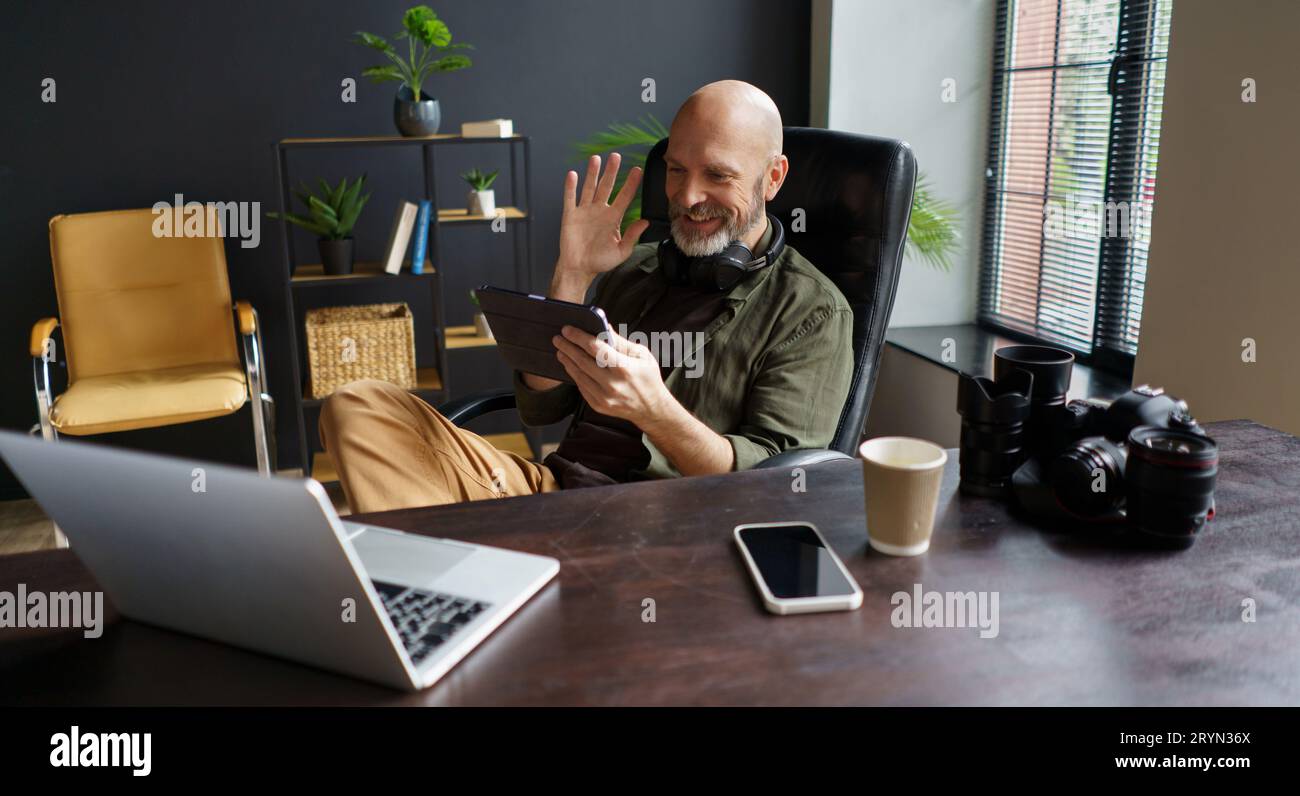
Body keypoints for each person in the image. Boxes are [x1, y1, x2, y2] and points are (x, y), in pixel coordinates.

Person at [320, 80, 853, 514]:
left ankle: (463, 570)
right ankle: (480, 565)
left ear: (773, 178)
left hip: (658, 520)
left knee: (413, 515)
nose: (688, 197)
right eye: (676, 169)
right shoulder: (638, 269)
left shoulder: (811, 312)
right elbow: (543, 404)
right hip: (551, 493)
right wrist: (571, 275)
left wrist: (657, 413)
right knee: (356, 406)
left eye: (717, 175)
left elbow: (780, 487)